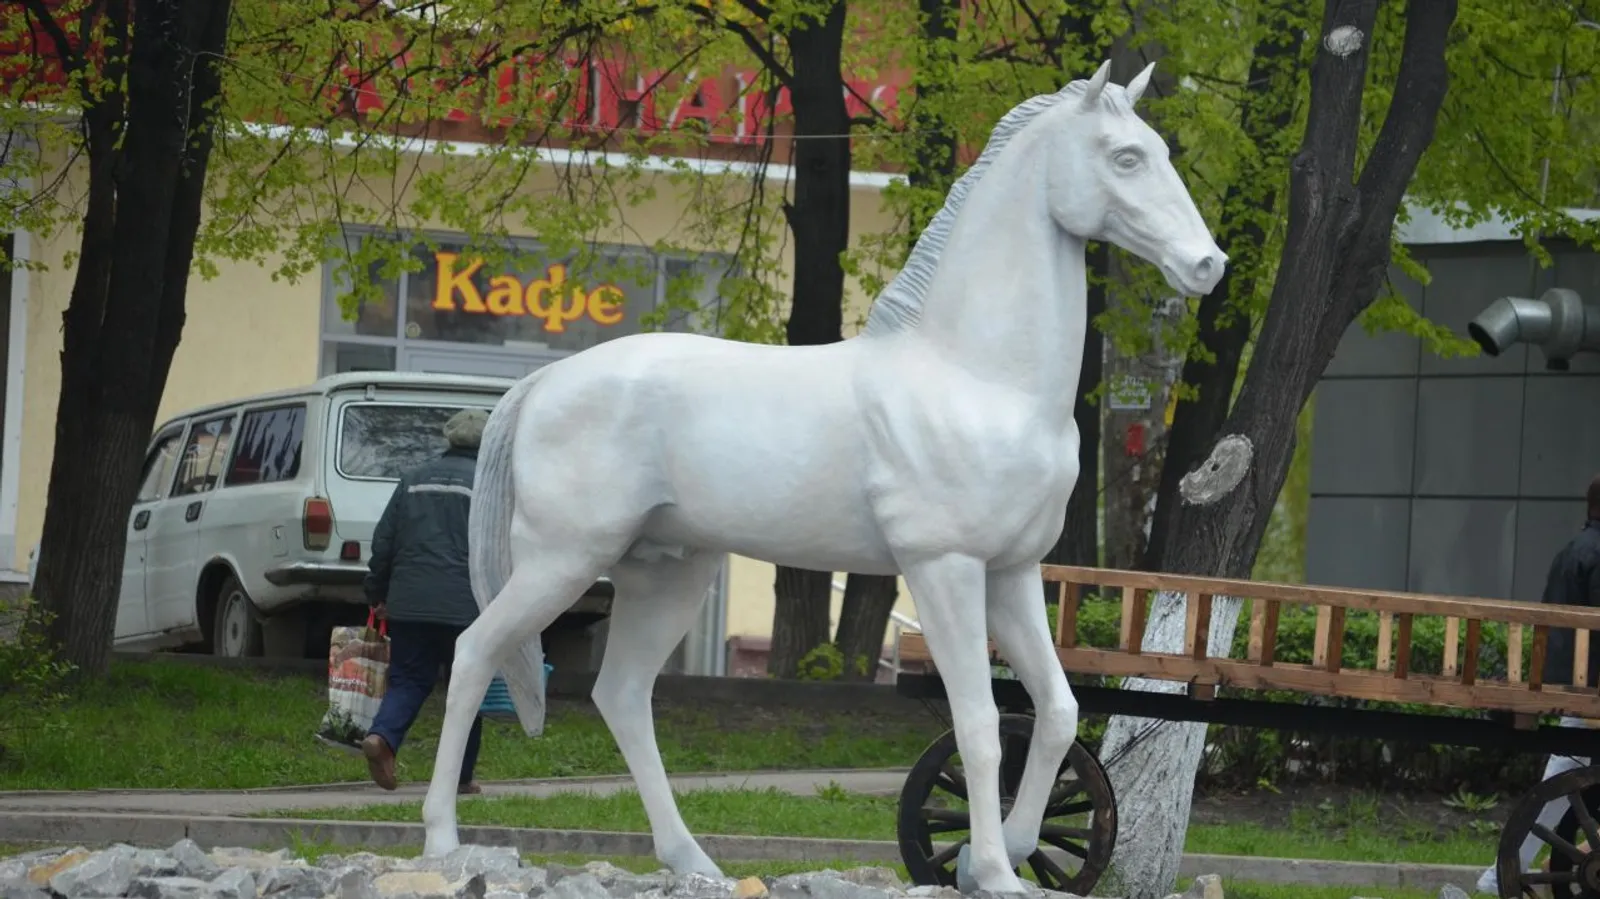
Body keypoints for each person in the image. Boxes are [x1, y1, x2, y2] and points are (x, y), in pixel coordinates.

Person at [1476, 473, 1600, 896]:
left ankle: (1497, 879)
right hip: (1589, 691)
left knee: (1559, 783)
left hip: (1567, 683)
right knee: (1560, 782)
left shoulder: (1572, 551)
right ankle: (1496, 879)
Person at [360, 408, 491, 795]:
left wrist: (377, 593)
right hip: (467, 607)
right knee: (466, 686)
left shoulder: (412, 479)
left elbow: (384, 542)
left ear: (449, 438)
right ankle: (460, 776)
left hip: (409, 602)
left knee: (409, 679)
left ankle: (382, 737)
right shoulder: (489, 488)